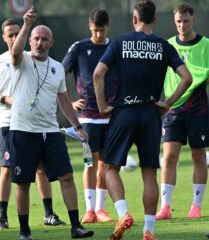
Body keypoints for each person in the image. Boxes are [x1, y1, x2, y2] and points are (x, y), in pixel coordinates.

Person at [93, 1, 192, 239]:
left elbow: (98, 74)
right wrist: (168, 103)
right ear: (155, 20)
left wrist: (102, 106)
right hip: (150, 114)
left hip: (124, 112)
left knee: (109, 168)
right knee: (149, 173)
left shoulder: (119, 42)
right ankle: (149, 230)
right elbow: (186, 78)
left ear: (134, 19)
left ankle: (123, 213)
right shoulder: (164, 46)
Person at [10, 8, 94, 240]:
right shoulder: (22, 59)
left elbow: (64, 100)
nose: (39, 42)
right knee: (23, 183)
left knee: (67, 176)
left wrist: (78, 127)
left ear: (51, 42)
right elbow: (15, 52)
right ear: (30, 40)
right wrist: (26, 24)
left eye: (44, 39)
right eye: (36, 38)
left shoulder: (57, 67)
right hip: (23, 131)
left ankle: (76, 226)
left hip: (51, 132)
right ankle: (25, 231)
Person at [0, 18, 65, 230]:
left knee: (41, 169)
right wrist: (6, 99)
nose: (13, 37)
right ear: (3, 37)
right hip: (10, 123)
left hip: (35, 124)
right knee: (7, 169)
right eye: (9, 34)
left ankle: (49, 213)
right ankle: (3, 216)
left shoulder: (33, 59)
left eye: (16, 33)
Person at [155, 3, 209, 221]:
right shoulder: (168, 45)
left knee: (198, 156)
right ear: (174, 21)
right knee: (168, 156)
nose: (182, 25)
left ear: (193, 20)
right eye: (178, 21)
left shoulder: (206, 45)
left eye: (186, 20)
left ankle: (196, 206)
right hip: (172, 109)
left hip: (198, 109)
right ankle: (165, 206)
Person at [62, 8, 115, 224]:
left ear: (107, 26)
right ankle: (89, 210)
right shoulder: (79, 47)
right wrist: (71, 102)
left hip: (110, 117)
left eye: (102, 30)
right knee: (89, 162)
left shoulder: (114, 47)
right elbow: (58, 72)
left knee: (106, 162)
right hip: (87, 118)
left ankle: (101, 209)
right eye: (95, 31)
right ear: (89, 27)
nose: (99, 35)